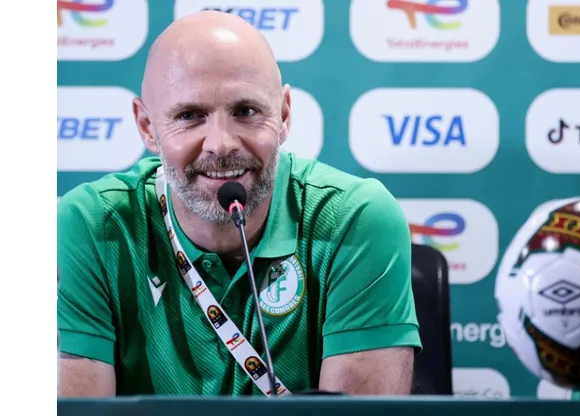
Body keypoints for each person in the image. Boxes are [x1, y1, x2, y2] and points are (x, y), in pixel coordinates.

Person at [57, 10, 422, 397]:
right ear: (148, 127)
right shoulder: (92, 225)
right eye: (189, 115)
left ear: (283, 115)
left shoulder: (354, 218)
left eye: (246, 112)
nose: (221, 144)